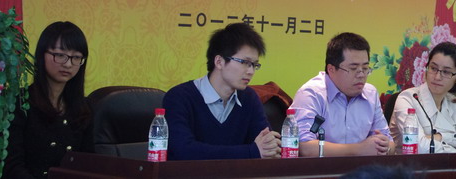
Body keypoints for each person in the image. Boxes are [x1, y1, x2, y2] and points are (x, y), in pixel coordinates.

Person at [163, 22, 281, 160]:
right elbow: (183, 151)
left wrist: (268, 148)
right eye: (244, 62)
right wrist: (251, 152)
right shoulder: (179, 97)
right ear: (219, 61)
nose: (251, 71)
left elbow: (267, 146)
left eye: (254, 65)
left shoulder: (249, 98)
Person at [4, 21, 93, 179]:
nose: (68, 64)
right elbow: (12, 167)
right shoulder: (20, 104)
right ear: (42, 55)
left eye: (76, 57)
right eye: (60, 55)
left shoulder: (83, 108)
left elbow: (89, 164)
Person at [291, 32, 395, 156]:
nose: (361, 75)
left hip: (364, 168)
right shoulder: (312, 94)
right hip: (321, 168)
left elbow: (390, 143)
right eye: (353, 68)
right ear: (331, 69)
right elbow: (304, 147)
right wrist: (359, 149)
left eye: (365, 68)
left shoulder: (370, 94)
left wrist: (385, 147)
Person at [389, 42, 456, 153]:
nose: (437, 77)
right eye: (433, 68)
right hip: (411, 164)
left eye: (446, 72)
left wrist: (442, 137)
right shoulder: (407, 99)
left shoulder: (451, 103)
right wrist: (455, 149)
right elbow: (420, 147)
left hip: (446, 163)